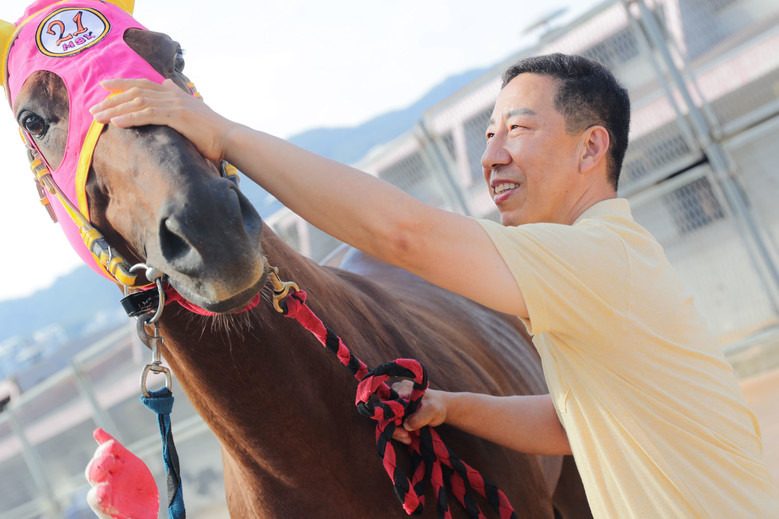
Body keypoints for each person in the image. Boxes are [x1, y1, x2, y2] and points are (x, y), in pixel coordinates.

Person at [91, 53, 779, 518]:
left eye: (518, 129)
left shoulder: (595, 258)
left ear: (591, 147)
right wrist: (450, 407)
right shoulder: (605, 267)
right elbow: (577, 421)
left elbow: (404, 235)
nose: (491, 155)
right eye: (488, 133)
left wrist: (222, 135)